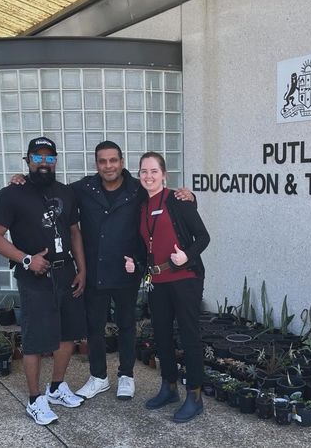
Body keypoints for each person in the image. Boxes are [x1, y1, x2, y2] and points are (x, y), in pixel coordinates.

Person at [10, 141, 193, 402]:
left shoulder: (136, 188)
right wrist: (21, 180)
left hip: (126, 269)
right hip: (94, 269)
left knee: (127, 324)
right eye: (103, 161)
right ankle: (98, 377)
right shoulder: (83, 188)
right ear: (97, 164)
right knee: (94, 327)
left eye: (113, 160)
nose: (108, 166)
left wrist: (187, 195)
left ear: (121, 161)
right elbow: (51, 192)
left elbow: (161, 193)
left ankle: (126, 376)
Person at [0, 136, 86, 425]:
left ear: (56, 161)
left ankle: (56, 388)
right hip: (34, 277)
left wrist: (83, 269)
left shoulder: (66, 193)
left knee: (67, 334)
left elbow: (75, 232)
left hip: (66, 272)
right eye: (38, 157)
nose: (44, 163)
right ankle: (35, 399)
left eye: (50, 158)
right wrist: (27, 259)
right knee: (35, 340)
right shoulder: (11, 193)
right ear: (28, 160)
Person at [125, 152, 210, 423]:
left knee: (189, 336)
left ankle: (194, 396)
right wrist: (135, 265)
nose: (148, 176)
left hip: (185, 278)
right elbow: (145, 246)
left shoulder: (178, 200)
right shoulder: (141, 205)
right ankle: (169, 387)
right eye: (143, 172)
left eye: (153, 171)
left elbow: (203, 237)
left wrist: (187, 255)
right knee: (161, 335)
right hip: (156, 280)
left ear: (164, 174)